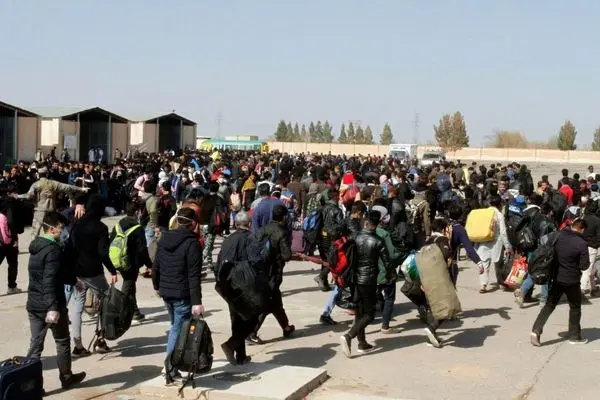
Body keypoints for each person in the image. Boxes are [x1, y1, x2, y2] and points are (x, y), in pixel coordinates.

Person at [26, 212, 86, 391]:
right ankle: (66, 377)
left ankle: (33, 387)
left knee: (36, 345)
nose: (63, 232)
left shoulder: (36, 246)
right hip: (50, 305)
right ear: (51, 229)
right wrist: (53, 307)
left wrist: (74, 281)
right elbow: (49, 280)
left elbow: (56, 274)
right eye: (60, 229)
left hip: (34, 304)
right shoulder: (53, 250)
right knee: (62, 341)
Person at [152, 207, 204, 384]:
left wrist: (156, 285)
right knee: (177, 329)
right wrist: (197, 302)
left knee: (175, 326)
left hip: (167, 291)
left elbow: (156, 265)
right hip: (182, 293)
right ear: (193, 224)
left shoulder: (164, 238)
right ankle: (169, 367)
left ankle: (172, 364)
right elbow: (193, 275)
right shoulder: (192, 244)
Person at [339, 210, 393, 358]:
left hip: (355, 279)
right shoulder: (378, 241)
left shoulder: (355, 236)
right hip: (369, 280)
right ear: (378, 223)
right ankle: (349, 336)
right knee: (369, 314)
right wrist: (390, 276)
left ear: (366, 221)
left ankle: (362, 342)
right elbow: (387, 263)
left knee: (360, 311)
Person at [70, 195, 117, 356]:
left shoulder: (77, 224)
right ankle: (101, 339)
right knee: (106, 301)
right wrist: (112, 270)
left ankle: (77, 344)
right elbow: (103, 253)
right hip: (93, 271)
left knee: (77, 306)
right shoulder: (101, 228)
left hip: (76, 271)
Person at [530, 218, 590, 346]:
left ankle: (536, 330)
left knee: (549, 305)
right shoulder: (581, 243)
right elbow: (584, 266)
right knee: (575, 307)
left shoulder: (558, 235)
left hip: (556, 277)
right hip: (572, 280)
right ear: (582, 229)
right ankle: (574, 336)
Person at [248, 204, 295, 344]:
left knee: (275, 300)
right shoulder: (282, 232)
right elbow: (286, 255)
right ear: (284, 217)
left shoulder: (263, 229)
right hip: (274, 271)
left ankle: (286, 327)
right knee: (268, 301)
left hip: (260, 269)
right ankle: (252, 332)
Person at [217, 212, 256, 365]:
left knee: (237, 319)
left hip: (226, 284)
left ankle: (240, 355)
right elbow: (254, 261)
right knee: (252, 318)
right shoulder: (250, 239)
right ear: (249, 224)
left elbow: (219, 260)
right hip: (242, 285)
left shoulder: (228, 240)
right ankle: (231, 344)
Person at [15, 166, 87, 240]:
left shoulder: (36, 184)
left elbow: (28, 196)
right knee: (52, 231)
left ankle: (34, 249)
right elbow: (67, 187)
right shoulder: (53, 183)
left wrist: (17, 196)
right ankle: (53, 247)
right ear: (47, 174)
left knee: (35, 233)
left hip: (40, 211)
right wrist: (81, 189)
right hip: (51, 210)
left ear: (38, 174)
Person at [109, 202, 153, 322]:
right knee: (128, 286)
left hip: (118, 260)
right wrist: (149, 265)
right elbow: (142, 250)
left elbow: (111, 241)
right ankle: (121, 313)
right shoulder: (137, 229)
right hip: (131, 263)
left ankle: (134, 310)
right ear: (137, 212)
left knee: (131, 286)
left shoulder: (118, 225)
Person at [474, 196, 512, 293]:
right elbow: (503, 232)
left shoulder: (484, 213)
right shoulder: (499, 215)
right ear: (499, 205)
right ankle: (501, 283)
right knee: (498, 264)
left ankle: (483, 285)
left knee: (484, 264)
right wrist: (507, 246)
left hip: (484, 241)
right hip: (496, 242)